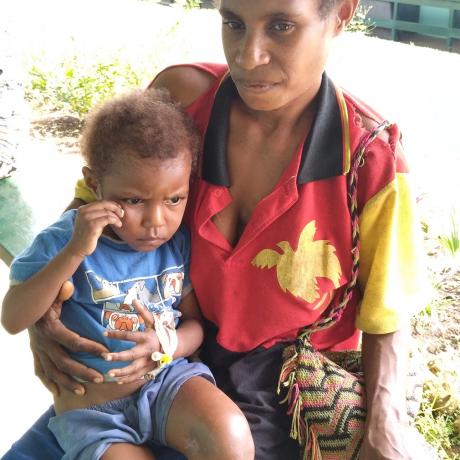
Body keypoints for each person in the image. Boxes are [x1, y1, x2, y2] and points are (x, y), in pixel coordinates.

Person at [3, 0, 427, 458]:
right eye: (233, 24)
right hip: (148, 362)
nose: (248, 56)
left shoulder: (371, 158)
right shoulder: (183, 98)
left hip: (276, 387)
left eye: (282, 26)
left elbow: (389, 310)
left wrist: (386, 425)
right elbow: (89, 212)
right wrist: (45, 320)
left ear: (341, 14)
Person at [1, 89, 254, 460]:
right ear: (95, 183)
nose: (156, 222)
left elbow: (196, 324)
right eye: (134, 200)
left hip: (167, 384)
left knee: (231, 437)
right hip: (92, 413)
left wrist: (168, 346)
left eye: (174, 199)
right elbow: (12, 318)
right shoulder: (63, 241)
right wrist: (74, 252)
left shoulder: (176, 243)